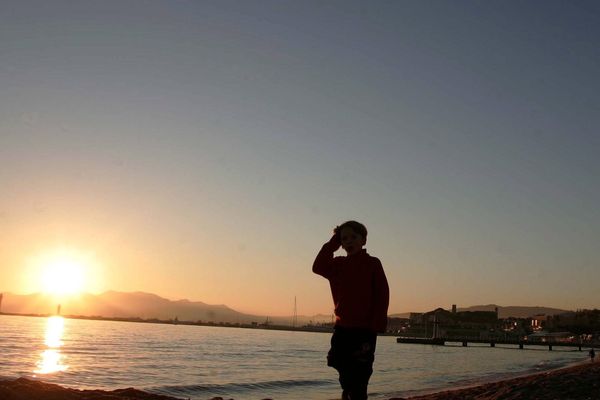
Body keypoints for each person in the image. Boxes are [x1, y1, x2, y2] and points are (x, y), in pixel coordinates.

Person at [313, 220, 390, 400]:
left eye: (353, 237)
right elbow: (317, 267)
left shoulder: (373, 263)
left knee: (361, 372)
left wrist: (376, 324)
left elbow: (382, 294)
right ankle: (348, 391)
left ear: (363, 240)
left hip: (365, 329)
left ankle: (355, 394)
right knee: (340, 363)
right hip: (342, 328)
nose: (349, 241)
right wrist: (333, 243)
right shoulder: (337, 265)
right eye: (344, 238)